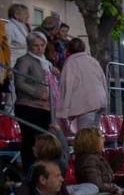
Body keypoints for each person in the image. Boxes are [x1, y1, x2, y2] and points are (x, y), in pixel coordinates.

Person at [13, 32, 54, 170]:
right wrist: (38, 93)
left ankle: (41, 170)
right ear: (29, 46)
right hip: (28, 106)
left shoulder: (46, 62)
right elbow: (19, 82)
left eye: (42, 45)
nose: (39, 48)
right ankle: (29, 170)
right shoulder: (24, 61)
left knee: (43, 141)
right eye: (35, 46)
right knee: (30, 140)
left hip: (45, 107)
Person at [57, 38, 107, 134]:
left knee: (85, 136)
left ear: (68, 49)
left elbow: (66, 87)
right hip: (99, 101)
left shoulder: (70, 63)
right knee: (94, 135)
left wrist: (63, 112)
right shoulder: (93, 61)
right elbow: (103, 81)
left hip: (85, 104)